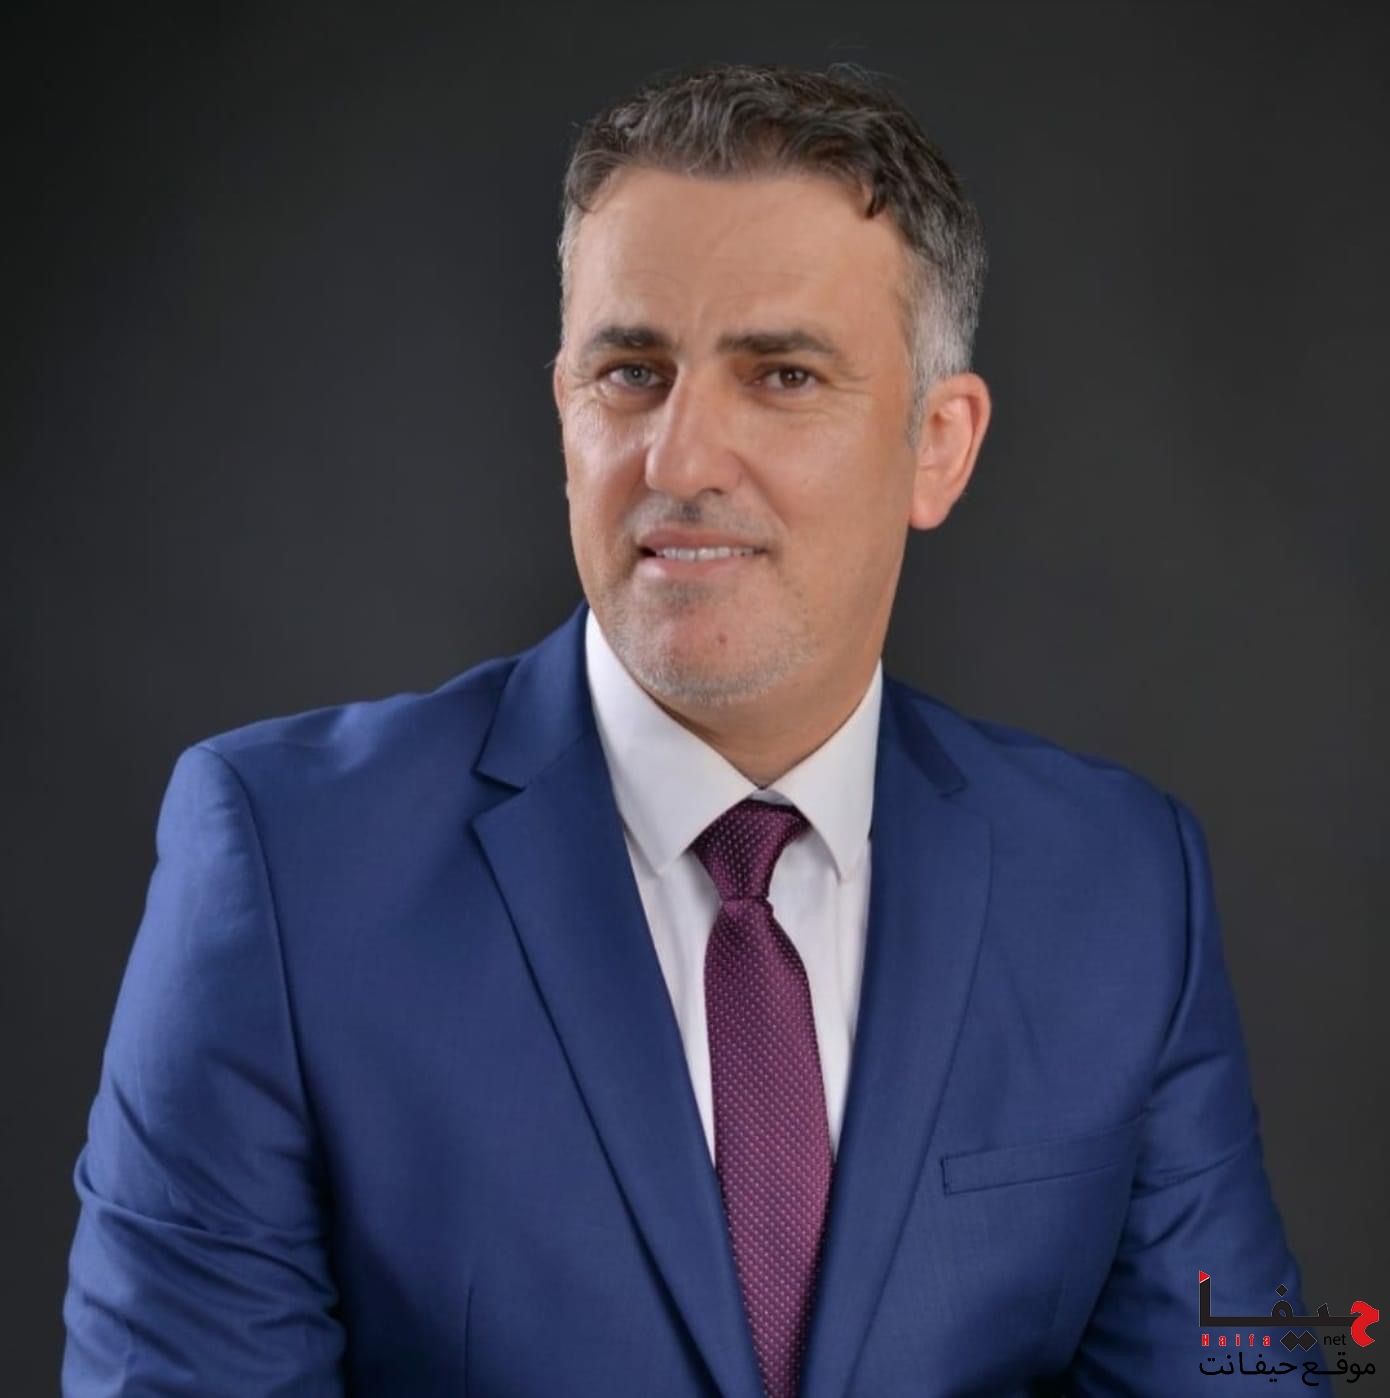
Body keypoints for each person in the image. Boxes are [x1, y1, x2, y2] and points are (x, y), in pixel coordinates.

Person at [62, 62, 1319, 1397]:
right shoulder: (287, 869)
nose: (679, 460)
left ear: (938, 445)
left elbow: (1248, 1370)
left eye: (781, 374)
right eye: (632, 371)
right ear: (565, 408)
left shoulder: (1121, 885)